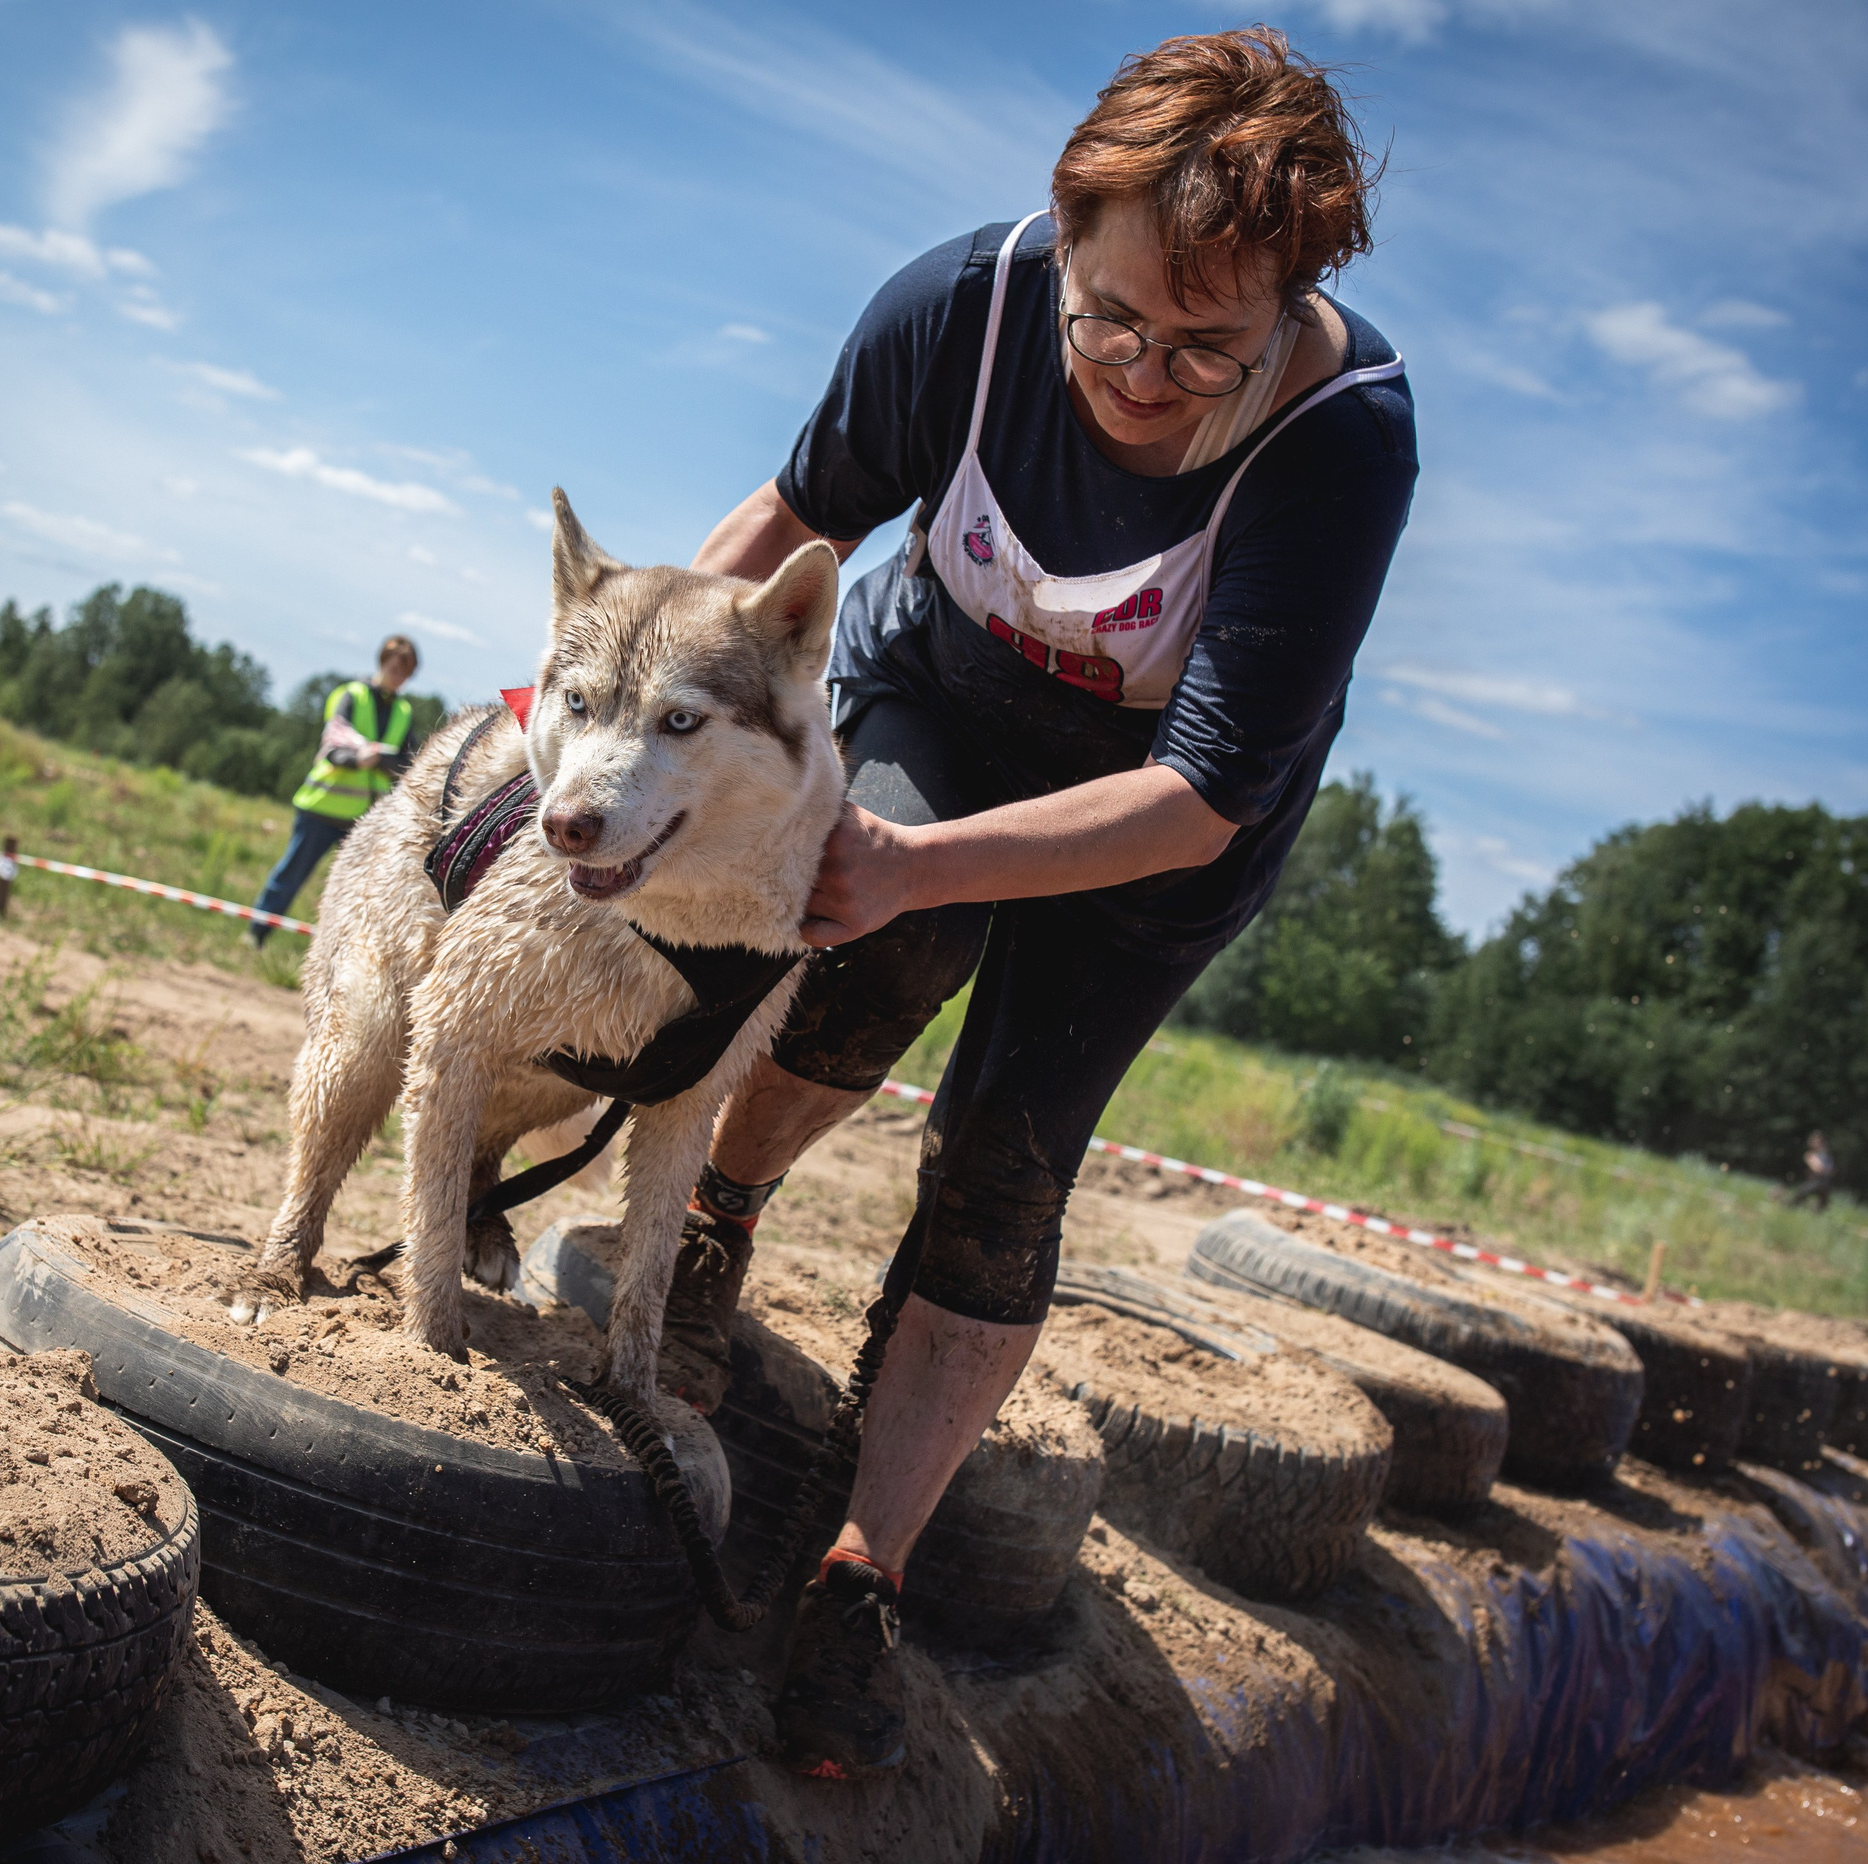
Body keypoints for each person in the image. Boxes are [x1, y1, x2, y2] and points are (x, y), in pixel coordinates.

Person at [654, 29, 1417, 1776]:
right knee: (864, 954)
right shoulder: (961, 306)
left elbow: (1198, 790)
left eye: (1204, 346)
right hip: (946, 698)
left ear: (1291, 303)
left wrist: (939, 858)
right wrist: (614, 701)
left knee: (1007, 1163)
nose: (1144, 371)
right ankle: (719, 1215)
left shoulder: (1342, 443)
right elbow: (792, 514)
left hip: (1162, 829)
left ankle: (866, 1566)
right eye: (1115, 318)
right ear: (1067, 242)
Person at [249, 633, 425, 947]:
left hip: (362, 820)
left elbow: (409, 763)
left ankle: (340, 949)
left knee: (355, 890)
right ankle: (256, 934)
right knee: (291, 875)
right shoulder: (351, 695)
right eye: (396, 668)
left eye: (406, 672)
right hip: (321, 807)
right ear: (383, 662)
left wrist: (383, 762)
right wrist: (359, 760)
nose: (399, 676)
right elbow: (332, 745)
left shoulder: (403, 712)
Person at [1782, 1131, 1835, 1211]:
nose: (1811, 1143)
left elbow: (1820, 1169)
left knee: (1800, 1195)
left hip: (1820, 1183)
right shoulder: (1823, 1154)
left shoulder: (1820, 1155)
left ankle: (1789, 1205)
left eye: (1814, 1141)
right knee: (1817, 1206)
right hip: (1820, 1183)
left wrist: (1811, 1160)